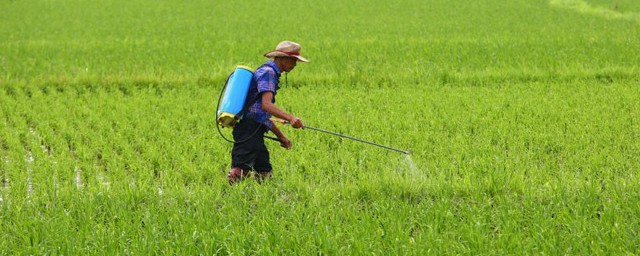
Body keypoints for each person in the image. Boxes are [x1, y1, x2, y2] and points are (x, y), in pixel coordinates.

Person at [227, 41, 308, 184]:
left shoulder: (270, 72)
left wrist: (281, 137)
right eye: (293, 60)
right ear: (282, 58)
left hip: (255, 128)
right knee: (239, 171)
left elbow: (262, 116)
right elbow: (266, 106)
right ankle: (231, 198)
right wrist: (291, 118)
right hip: (249, 129)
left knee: (264, 169)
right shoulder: (268, 73)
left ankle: (261, 198)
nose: (295, 65)